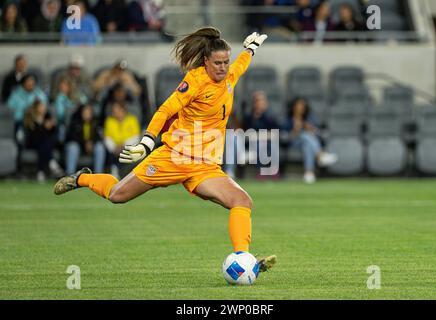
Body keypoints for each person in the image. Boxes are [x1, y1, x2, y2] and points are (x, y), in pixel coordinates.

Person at [54, 27, 276, 272]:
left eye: (226, 62)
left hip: (204, 166)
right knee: (118, 195)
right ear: (206, 61)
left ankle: (243, 260)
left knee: (242, 200)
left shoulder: (229, 76)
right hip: (174, 157)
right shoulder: (195, 81)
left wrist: (250, 50)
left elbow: (241, 65)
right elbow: (165, 110)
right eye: (218, 63)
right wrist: (147, 141)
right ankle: (83, 178)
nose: (223, 67)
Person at [281, 97, 337, 183]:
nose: (300, 108)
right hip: (293, 144)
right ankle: (320, 155)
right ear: (294, 107)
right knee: (304, 135)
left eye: (302, 106)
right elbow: (283, 138)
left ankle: (309, 173)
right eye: (298, 106)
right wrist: (294, 132)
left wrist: (312, 129)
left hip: (307, 144)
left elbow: (320, 134)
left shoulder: (309, 119)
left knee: (306, 143)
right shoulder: (288, 120)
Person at [23, 100, 63, 182]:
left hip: (45, 144)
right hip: (33, 143)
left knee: (45, 144)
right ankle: (52, 163)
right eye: (41, 107)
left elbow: (53, 133)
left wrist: (52, 126)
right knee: (43, 143)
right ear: (36, 108)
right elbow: (33, 136)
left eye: (43, 107)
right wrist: (43, 126)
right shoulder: (31, 118)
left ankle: (40, 172)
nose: (43, 109)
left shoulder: (47, 116)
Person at [65, 103, 106, 175]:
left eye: (89, 113)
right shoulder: (75, 122)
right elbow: (71, 137)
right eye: (85, 113)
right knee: (72, 147)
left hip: (91, 147)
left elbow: (99, 137)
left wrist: (92, 143)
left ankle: (98, 175)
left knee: (100, 147)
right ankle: (70, 175)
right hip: (78, 146)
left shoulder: (95, 122)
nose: (87, 115)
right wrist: (84, 143)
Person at [103, 102, 140, 178]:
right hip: (114, 150)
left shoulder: (132, 119)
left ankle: (128, 174)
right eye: (113, 111)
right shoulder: (109, 121)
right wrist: (114, 148)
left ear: (123, 110)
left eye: (117, 110)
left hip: (128, 147)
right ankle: (114, 171)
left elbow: (136, 137)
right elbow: (107, 138)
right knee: (108, 151)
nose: (114, 113)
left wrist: (124, 145)